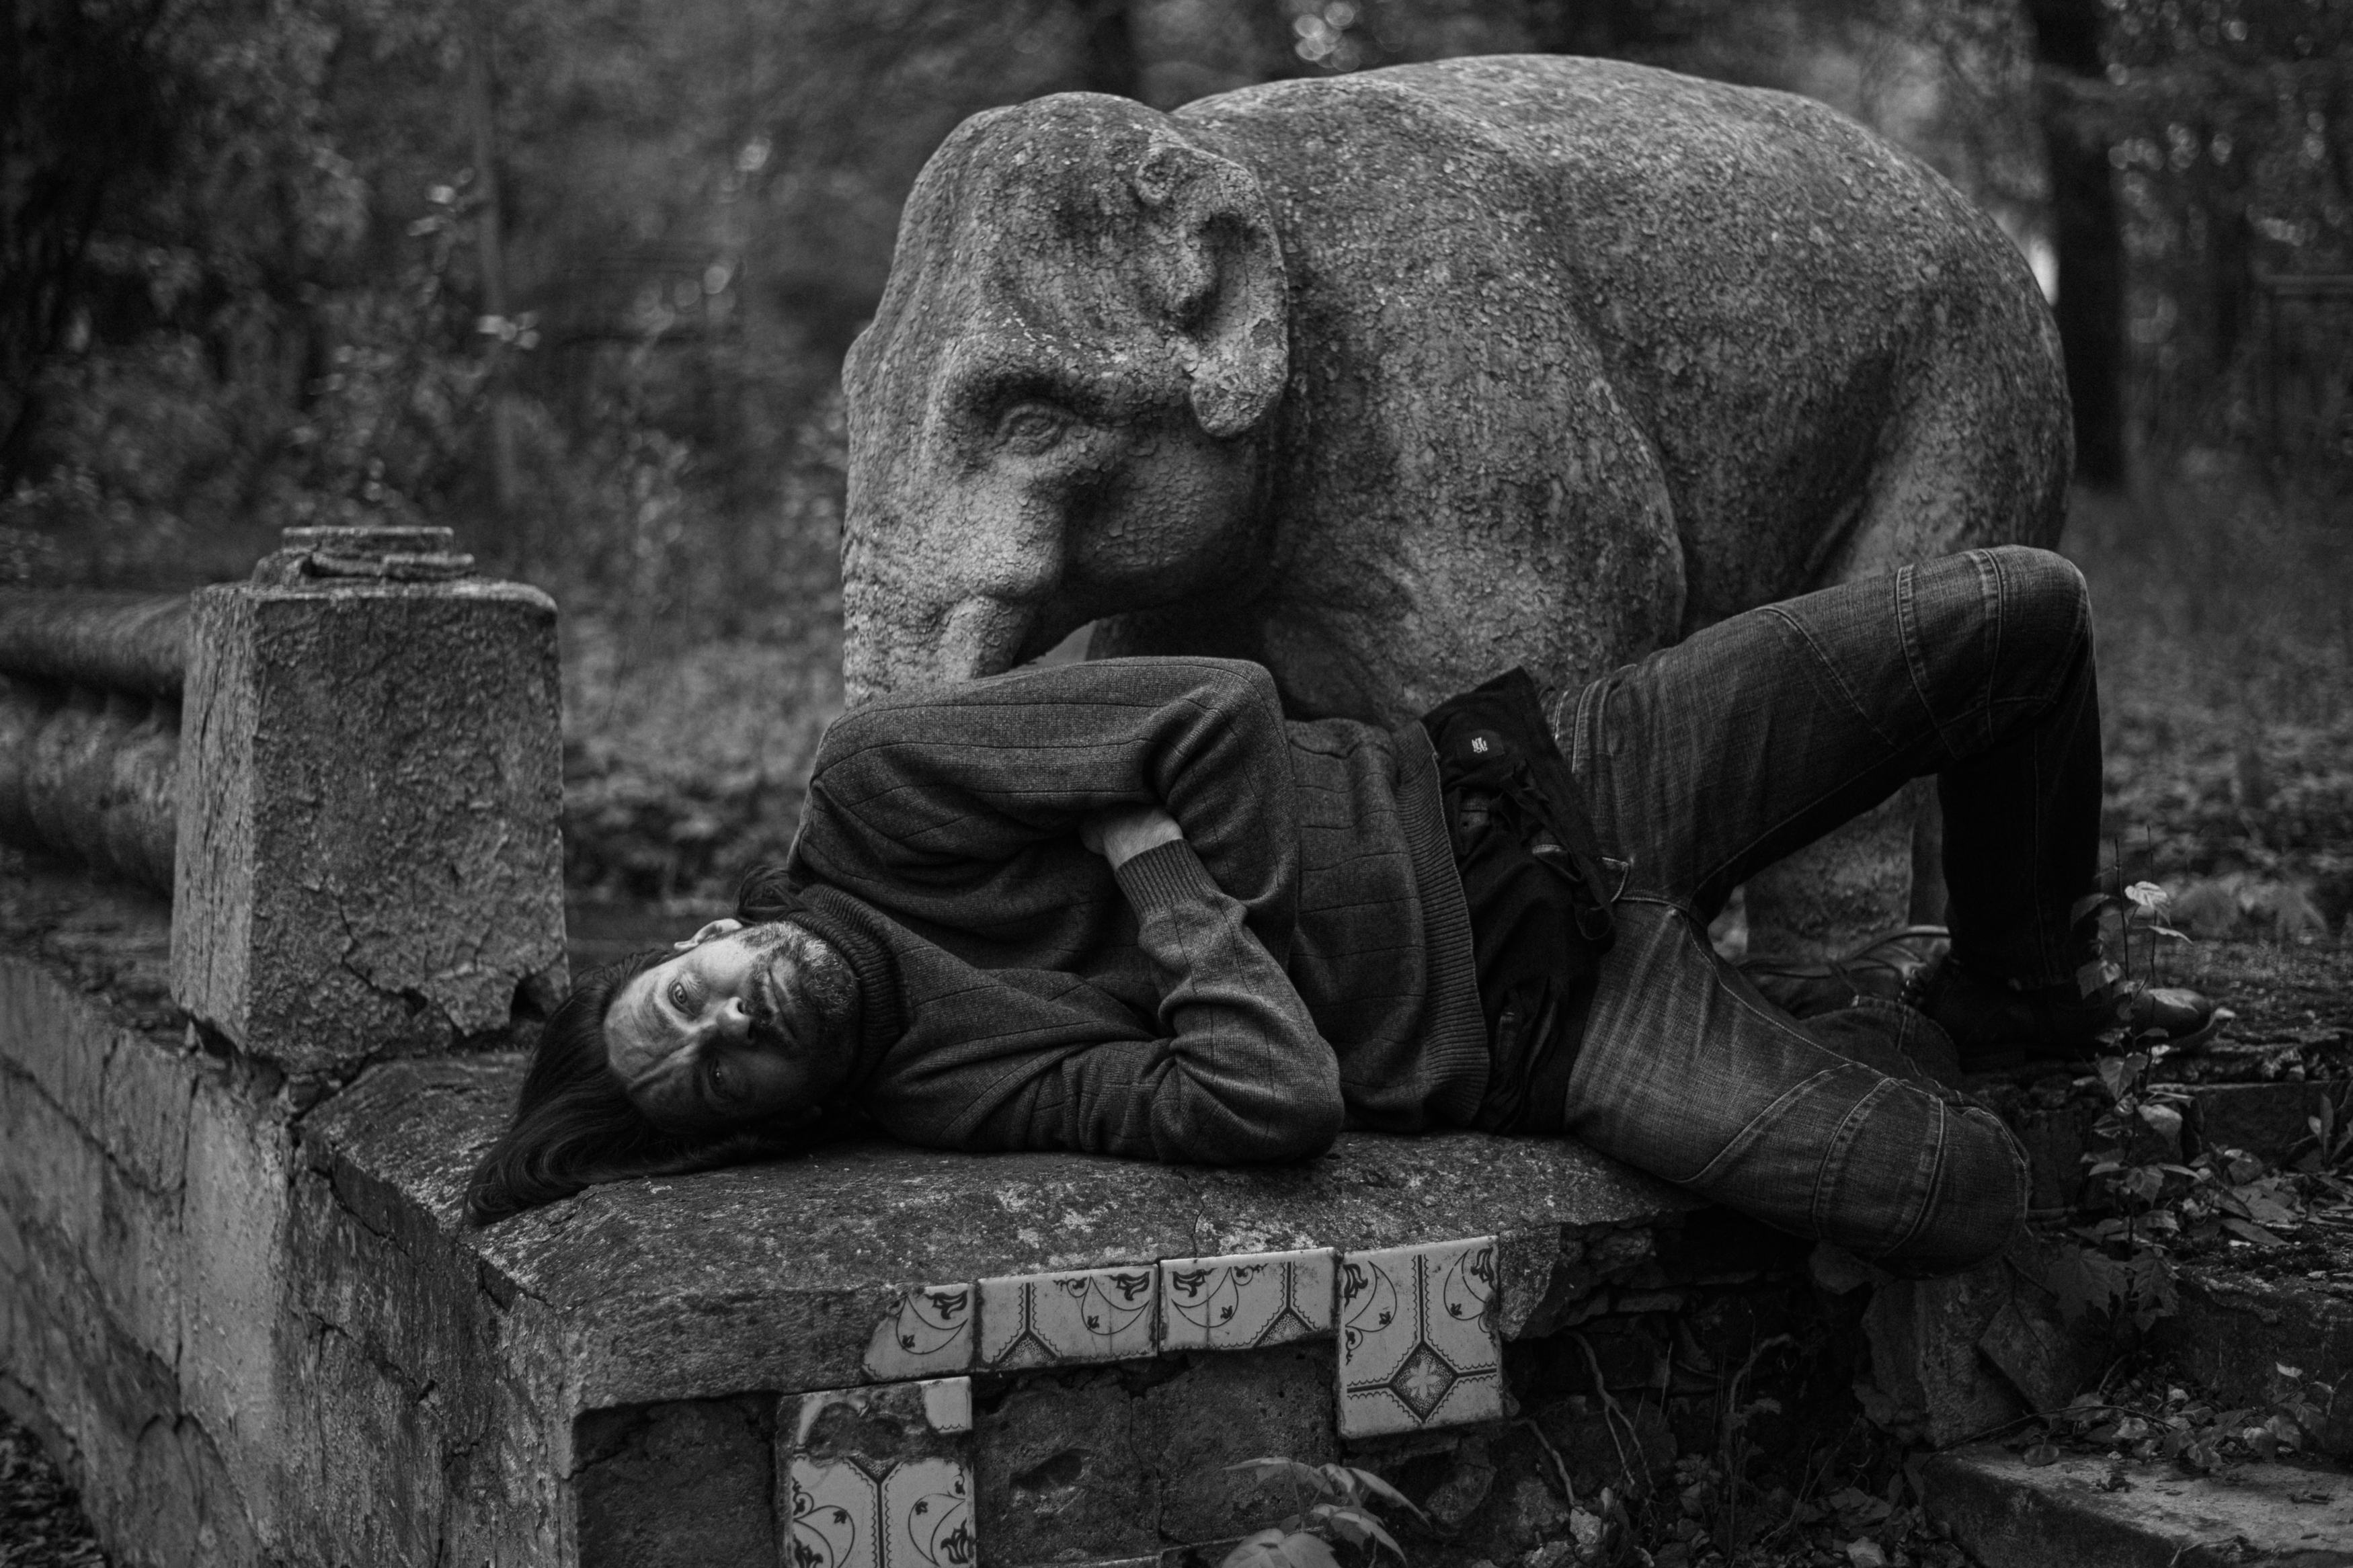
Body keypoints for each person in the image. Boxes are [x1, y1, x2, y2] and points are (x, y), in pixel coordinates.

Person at [467, 546, 2212, 1273]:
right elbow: (1275, 1096)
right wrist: (1147, 859)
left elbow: (1215, 708)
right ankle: (1880, 1042)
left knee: (2022, 612)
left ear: (696, 938)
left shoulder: (875, 789)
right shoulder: (952, 1087)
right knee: (1960, 1193)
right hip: (1555, 1033)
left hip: (1546, 784)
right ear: (764, 1128)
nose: (733, 1016)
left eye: (687, 1000)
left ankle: (2017, 990)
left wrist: (1222, 959)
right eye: (719, 1068)